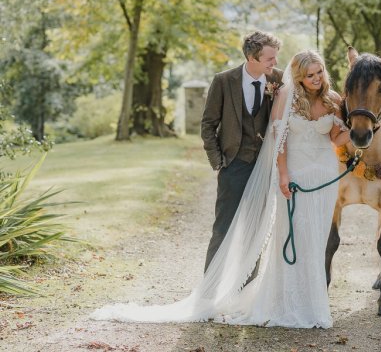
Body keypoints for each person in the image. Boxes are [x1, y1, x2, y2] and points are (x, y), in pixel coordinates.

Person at [90, 50, 349, 328]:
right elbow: (280, 139)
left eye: (319, 72)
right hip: (295, 175)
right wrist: (283, 174)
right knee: (294, 234)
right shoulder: (287, 96)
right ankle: (285, 303)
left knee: (317, 237)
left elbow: (336, 139)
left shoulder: (333, 100)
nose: (315, 78)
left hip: (322, 175)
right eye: (309, 75)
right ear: (299, 76)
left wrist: (360, 134)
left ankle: (313, 305)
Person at [201, 31, 283, 272]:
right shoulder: (224, 81)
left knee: (255, 231)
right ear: (251, 57)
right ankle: (209, 291)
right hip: (233, 164)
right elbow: (208, 124)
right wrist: (218, 161)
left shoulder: (278, 80)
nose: (275, 63)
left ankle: (246, 292)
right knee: (223, 229)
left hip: (265, 168)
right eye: (270, 58)